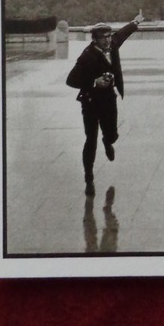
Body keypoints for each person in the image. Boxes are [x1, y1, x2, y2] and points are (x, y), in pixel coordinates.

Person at [66, 13, 143, 196]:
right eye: (104, 38)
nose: (108, 40)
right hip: (91, 102)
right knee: (90, 140)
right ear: (95, 39)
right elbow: (71, 80)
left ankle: (108, 141)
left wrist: (135, 22)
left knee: (112, 134)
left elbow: (122, 35)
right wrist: (94, 82)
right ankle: (89, 178)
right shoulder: (86, 56)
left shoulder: (112, 45)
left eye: (109, 36)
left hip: (108, 99)